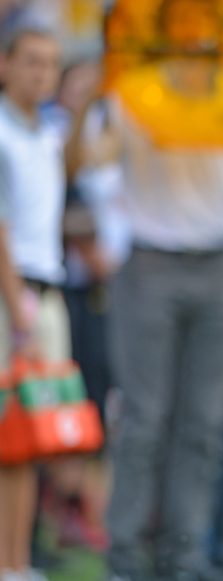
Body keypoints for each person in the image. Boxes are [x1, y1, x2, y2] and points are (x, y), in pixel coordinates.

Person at [66, 0, 223, 578]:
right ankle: (126, 556)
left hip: (219, 263)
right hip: (150, 265)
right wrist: (86, 103)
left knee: (205, 422)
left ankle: (184, 553)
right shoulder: (136, 97)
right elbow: (85, 164)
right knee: (145, 419)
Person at [0, 26, 66, 581]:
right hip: (14, 294)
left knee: (29, 435)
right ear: (6, 65)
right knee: (7, 431)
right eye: (31, 63)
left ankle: (17, 558)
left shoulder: (48, 132)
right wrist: (14, 298)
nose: (41, 74)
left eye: (50, 64)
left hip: (46, 288)